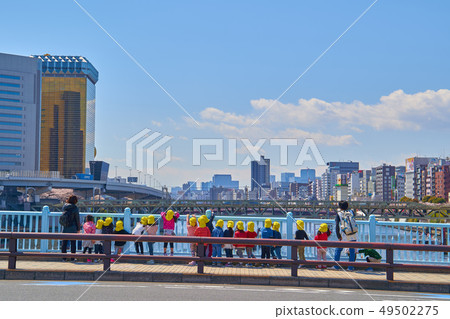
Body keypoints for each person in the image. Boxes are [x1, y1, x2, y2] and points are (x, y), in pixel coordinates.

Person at [334, 200, 365, 271]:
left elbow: (337, 225)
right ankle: (350, 267)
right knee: (352, 251)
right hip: (353, 233)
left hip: (344, 234)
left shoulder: (339, 214)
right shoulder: (351, 212)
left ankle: (336, 266)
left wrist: (338, 235)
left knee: (338, 250)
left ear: (339, 207)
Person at [61, 195, 81, 261]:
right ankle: (72, 258)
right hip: (73, 227)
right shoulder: (75, 208)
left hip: (65, 226)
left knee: (64, 243)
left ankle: (64, 258)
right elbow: (77, 219)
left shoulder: (64, 207)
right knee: (73, 243)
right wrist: (78, 229)